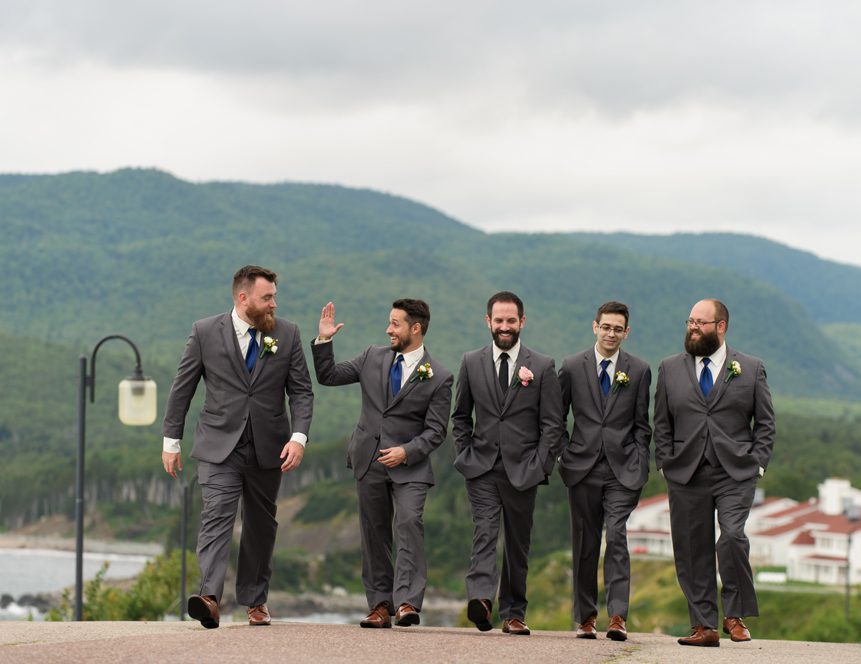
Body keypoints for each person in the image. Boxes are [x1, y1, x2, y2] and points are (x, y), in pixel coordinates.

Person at [161, 265, 313, 628]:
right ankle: (209, 598)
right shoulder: (204, 332)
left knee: (260, 524)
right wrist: (171, 441)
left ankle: (255, 600)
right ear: (243, 298)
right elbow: (182, 388)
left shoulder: (288, 333)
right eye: (267, 297)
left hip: (269, 448)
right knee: (216, 516)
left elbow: (302, 392)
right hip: (218, 445)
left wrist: (298, 437)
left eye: (274, 296)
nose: (274, 304)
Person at [312, 298, 455, 629]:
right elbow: (328, 376)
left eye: (395, 323)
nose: (388, 329)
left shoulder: (440, 377)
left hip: (411, 466)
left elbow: (436, 431)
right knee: (374, 533)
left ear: (415, 328)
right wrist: (324, 341)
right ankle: (379, 606)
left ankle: (407, 603)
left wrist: (406, 451)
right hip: (369, 459)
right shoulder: (371, 356)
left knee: (409, 522)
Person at [656, 298, 776, 646]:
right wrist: (664, 462)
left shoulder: (751, 368)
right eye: (690, 322)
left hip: (735, 471)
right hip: (686, 472)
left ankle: (734, 616)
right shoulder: (669, 368)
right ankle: (703, 625)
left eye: (700, 323)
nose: (692, 328)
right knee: (692, 548)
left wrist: (757, 462)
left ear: (721, 326)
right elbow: (661, 422)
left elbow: (765, 422)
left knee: (733, 536)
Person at [451, 291, 564, 635]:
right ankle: (482, 599)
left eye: (511, 320)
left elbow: (553, 424)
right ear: (488, 321)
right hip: (481, 467)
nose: (504, 326)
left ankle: (513, 613)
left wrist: (540, 465)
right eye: (498, 320)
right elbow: (461, 416)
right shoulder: (471, 361)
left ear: (522, 322)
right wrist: (465, 454)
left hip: (524, 469)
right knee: (484, 532)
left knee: (517, 543)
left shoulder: (542, 366)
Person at [557, 301, 652, 640]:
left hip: (622, 470)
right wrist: (564, 455)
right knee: (585, 543)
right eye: (606, 327)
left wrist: (640, 463)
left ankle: (617, 617)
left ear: (627, 333)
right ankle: (585, 618)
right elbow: (556, 418)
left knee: (617, 536)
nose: (611, 333)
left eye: (618, 329)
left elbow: (642, 425)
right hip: (581, 468)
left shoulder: (639, 370)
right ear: (595, 326)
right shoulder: (571, 366)